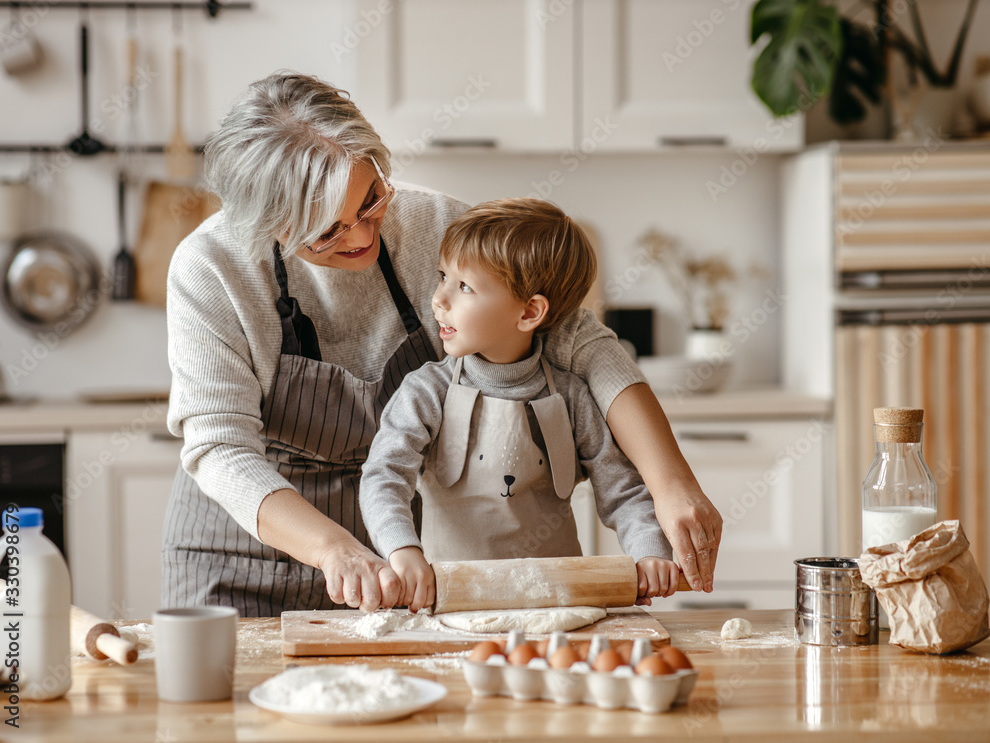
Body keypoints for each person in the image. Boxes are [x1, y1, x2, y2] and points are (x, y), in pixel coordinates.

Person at [161, 71, 721, 617]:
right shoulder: (212, 269)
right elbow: (221, 447)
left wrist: (671, 484)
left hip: (397, 551)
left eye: (371, 200)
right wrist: (332, 549)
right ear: (265, 224)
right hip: (239, 553)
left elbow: (586, 345)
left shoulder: (437, 225)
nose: (360, 236)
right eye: (325, 230)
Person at [359, 199, 680, 611]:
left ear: (530, 312)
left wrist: (649, 552)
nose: (439, 299)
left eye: (464, 287)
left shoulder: (572, 398)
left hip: (557, 606)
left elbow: (624, 492)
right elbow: (383, 475)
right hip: (449, 604)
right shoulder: (426, 391)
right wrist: (402, 549)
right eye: (443, 277)